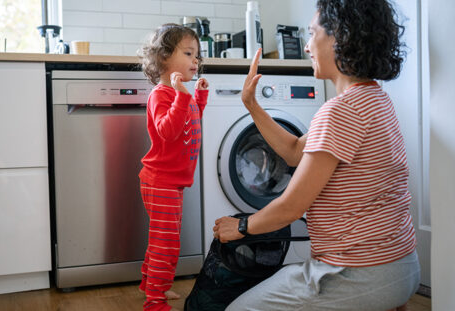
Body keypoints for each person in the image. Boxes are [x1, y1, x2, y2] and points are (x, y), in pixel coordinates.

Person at [212, 0, 420, 310]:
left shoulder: (339, 111)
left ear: (342, 37)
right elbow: (296, 152)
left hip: (357, 273)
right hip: (401, 265)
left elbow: (291, 207)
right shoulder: (374, 99)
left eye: (312, 34)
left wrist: (241, 226)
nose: (307, 46)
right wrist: (252, 105)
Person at [137, 23, 209, 311]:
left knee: (163, 238)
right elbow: (167, 131)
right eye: (189, 53)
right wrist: (182, 96)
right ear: (164, 57)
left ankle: (149, 283)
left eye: (197, 56)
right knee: (165, 243)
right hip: (160, 181)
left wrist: (198, 99)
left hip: (173, 181)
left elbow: (189, 123)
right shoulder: (162, 95)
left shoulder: (181, 94)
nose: (196, 61)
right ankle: (154, 299)